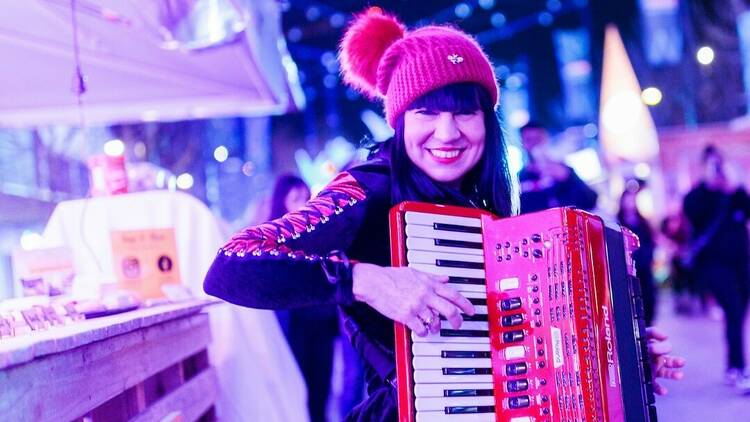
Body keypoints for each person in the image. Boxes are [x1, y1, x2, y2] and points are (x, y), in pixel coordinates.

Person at [204, 8, 684, 419]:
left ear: (487, 121)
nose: (447, 132)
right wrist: (367, 280)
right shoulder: (370, 185)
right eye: (426, 113)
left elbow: (515, 338)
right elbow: (231, 265)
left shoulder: (483, 203)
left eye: (464, 113)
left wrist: (618, 354)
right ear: (399, 119)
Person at [268, 174, 338, 422]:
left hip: (322, 326)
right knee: (298, 391)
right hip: (294, 329)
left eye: (306, 198)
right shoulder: (272, 240)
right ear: (281, 203)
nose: (303, 204)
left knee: (321, 392)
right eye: (296, 199)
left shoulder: (319, 235)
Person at [683, 145, 750, 392]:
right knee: (733, 309)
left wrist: (734, 187)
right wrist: (710, 188)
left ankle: (732, 367)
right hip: (714, 266)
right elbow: (692, 214)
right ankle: (740, 370)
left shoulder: (734, 193)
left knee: (738, 314)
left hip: (741, 263)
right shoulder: (697, 196)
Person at [518, 121, 598, 214]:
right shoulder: (519, 180)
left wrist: (568, 178)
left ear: (546, 139)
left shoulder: (564, 170)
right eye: (529, 140)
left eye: (538, 138)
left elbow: (591, 201)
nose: (535, 144)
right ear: (523, 144)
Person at [617, 181, 657, 326]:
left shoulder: (643, 223)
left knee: (648, 303)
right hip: (628, 272)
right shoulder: (617, 223)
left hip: (644, 271)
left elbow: (651, 242)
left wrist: (646, 258)